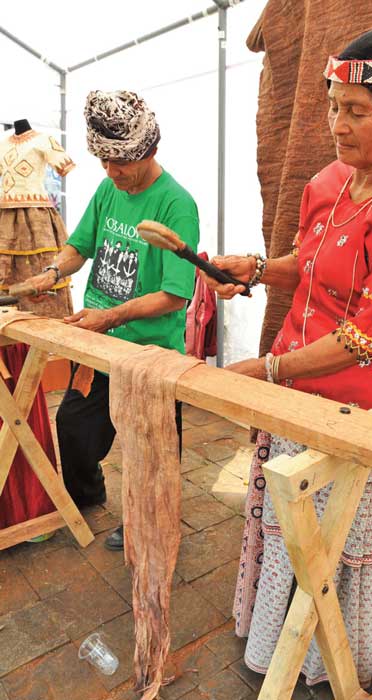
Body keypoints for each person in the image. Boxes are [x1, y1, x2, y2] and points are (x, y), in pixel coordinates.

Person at [201, 27, 372, 689]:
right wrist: (253, 268)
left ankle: (333, 661)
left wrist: (268, 371)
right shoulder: (329, 181)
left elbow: (367, 337)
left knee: (338, 547)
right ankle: (280, 645)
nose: (337, 124)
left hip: (365, 409)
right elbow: (308, 266)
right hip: (301, 389)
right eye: (334, 105)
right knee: (289, 532)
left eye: (356, 110)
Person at [24, 90, 199, 551]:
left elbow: (175, 295)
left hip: (149, 353)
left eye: (120, 164)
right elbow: (79, 246)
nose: (111, 173)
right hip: (97, 345)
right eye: (103, 163)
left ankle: (149, 521)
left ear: (149, 151)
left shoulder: (176, 204)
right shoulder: (108, 189)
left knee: (151, 453)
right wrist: (52, 271)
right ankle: (88, 492)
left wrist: (112, 316)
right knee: (74, 431)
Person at [0, 118, 74, 536]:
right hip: (4, 225)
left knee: (36, 296)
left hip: (36, 222)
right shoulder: (2, 144)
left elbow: (63, 166)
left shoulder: (46, 138)